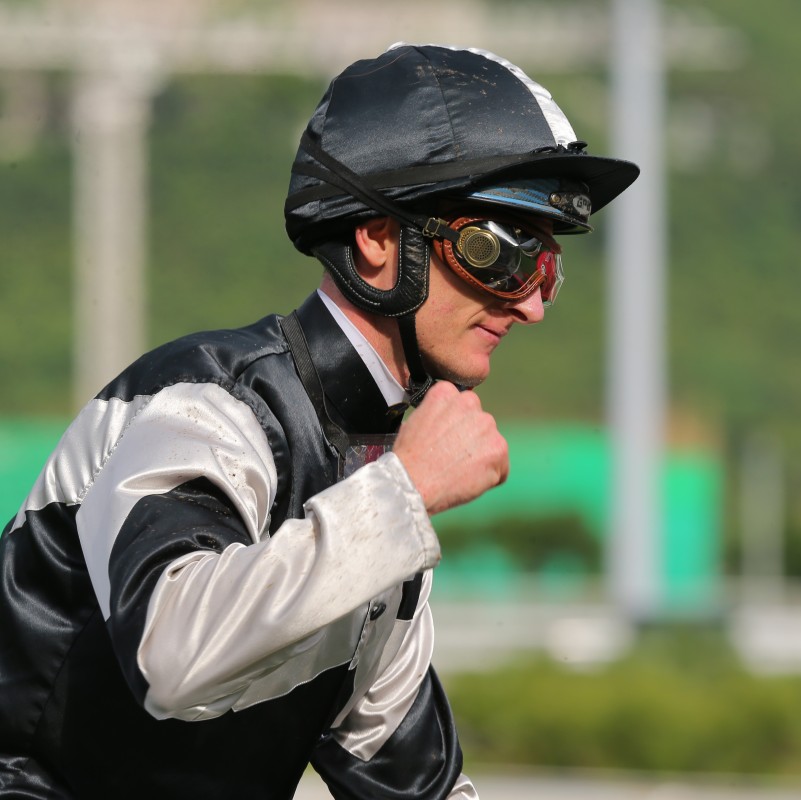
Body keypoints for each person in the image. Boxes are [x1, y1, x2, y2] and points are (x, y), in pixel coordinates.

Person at [0, 42, 638, 799]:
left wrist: (398, 499)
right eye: (497, 251)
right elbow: (168, 657)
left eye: (546, 268)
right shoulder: (206, 401)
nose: (530, 304)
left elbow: (409, 778)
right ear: (377, 238)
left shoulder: (380, 488)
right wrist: (405, 494)